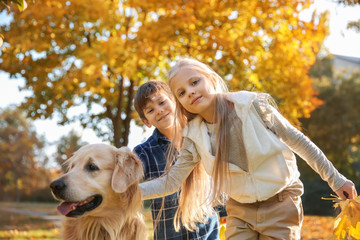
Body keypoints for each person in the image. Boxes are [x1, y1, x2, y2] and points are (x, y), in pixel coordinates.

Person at [139, 58, 357, 240]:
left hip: (280, 202)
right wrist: (129, 191)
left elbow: (299, 142)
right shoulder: (194, 137)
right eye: (182, 93)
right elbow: (172, 181)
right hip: (240, 211)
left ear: (212, 79)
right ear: (181, 103)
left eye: (195, 82)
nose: (191, 92)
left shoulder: (252, 106)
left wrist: (336, 180)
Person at [133, 80, 220, 240]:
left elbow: (215, 177)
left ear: (175, 101)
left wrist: (223, 210)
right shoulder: (142, 153)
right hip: (170, 234)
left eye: (162, 102)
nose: (159, 110)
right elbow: (130, 189)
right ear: (146, 122)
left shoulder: (200, 135)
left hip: (208, 232)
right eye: (151, 110)